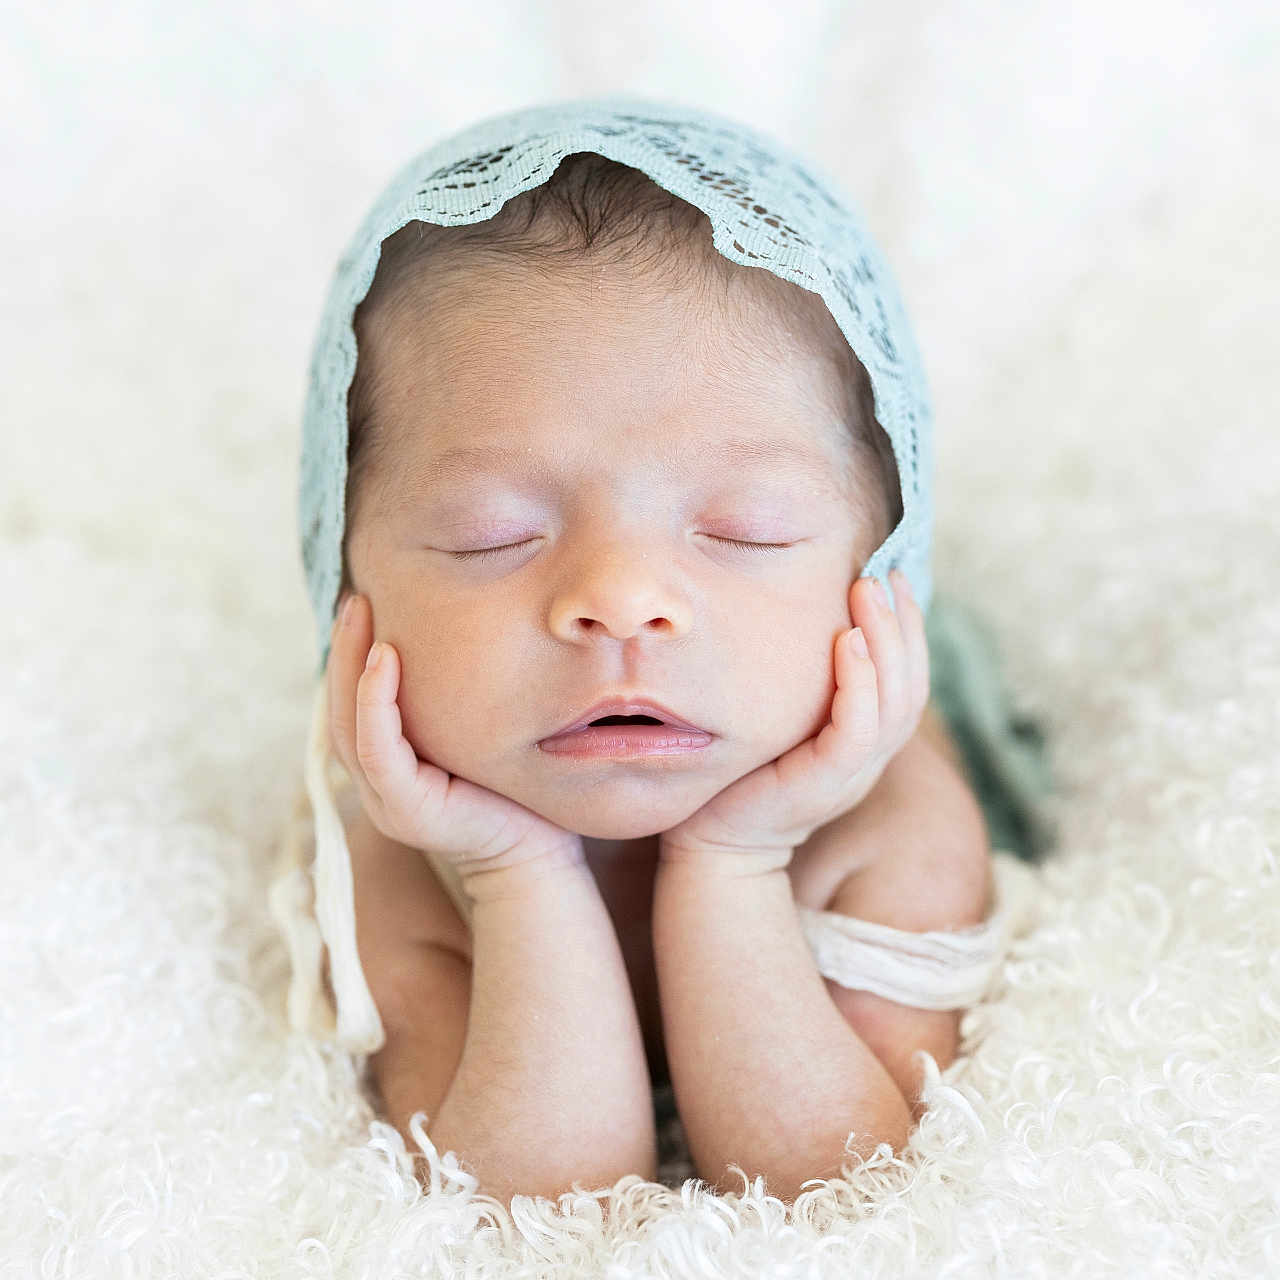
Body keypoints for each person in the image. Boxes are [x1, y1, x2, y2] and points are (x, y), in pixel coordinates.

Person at [269, 96, 1053, 1205]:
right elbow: (540, 1205)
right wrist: (512, 872)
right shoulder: (400, 848)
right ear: (343, 583)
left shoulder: (891, 821)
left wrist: (736, 862)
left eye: (744, 528)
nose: (619, 601)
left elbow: (842, 1186)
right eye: (493, 533)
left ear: (883, 568)